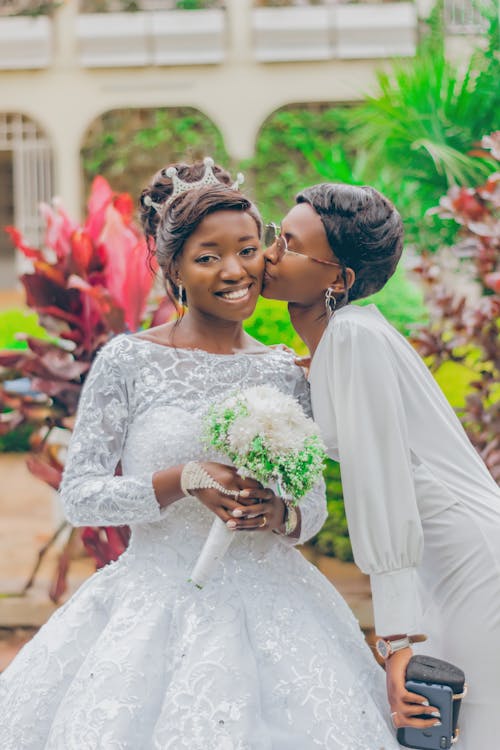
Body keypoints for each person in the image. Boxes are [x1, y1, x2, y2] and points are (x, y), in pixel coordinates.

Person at [0, 162, 402, 750]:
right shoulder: (127, 361)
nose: (235, 270)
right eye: (208, 256)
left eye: (246, 248)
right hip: (151, 605)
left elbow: (311, 506)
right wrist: (181, 479)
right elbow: (81, 495)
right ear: (172, 269)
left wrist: (277, 513)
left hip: (277, 610)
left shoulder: (284, 369)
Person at [261, 181, 500, 750]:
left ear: (337, 280)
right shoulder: (338, 341)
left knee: (470, 727)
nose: (267, 254)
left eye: (289, 246)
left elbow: (381, 486)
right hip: (442, 564)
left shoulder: (352, 337)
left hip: (472, 564)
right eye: (275, 236)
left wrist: (395, 640)